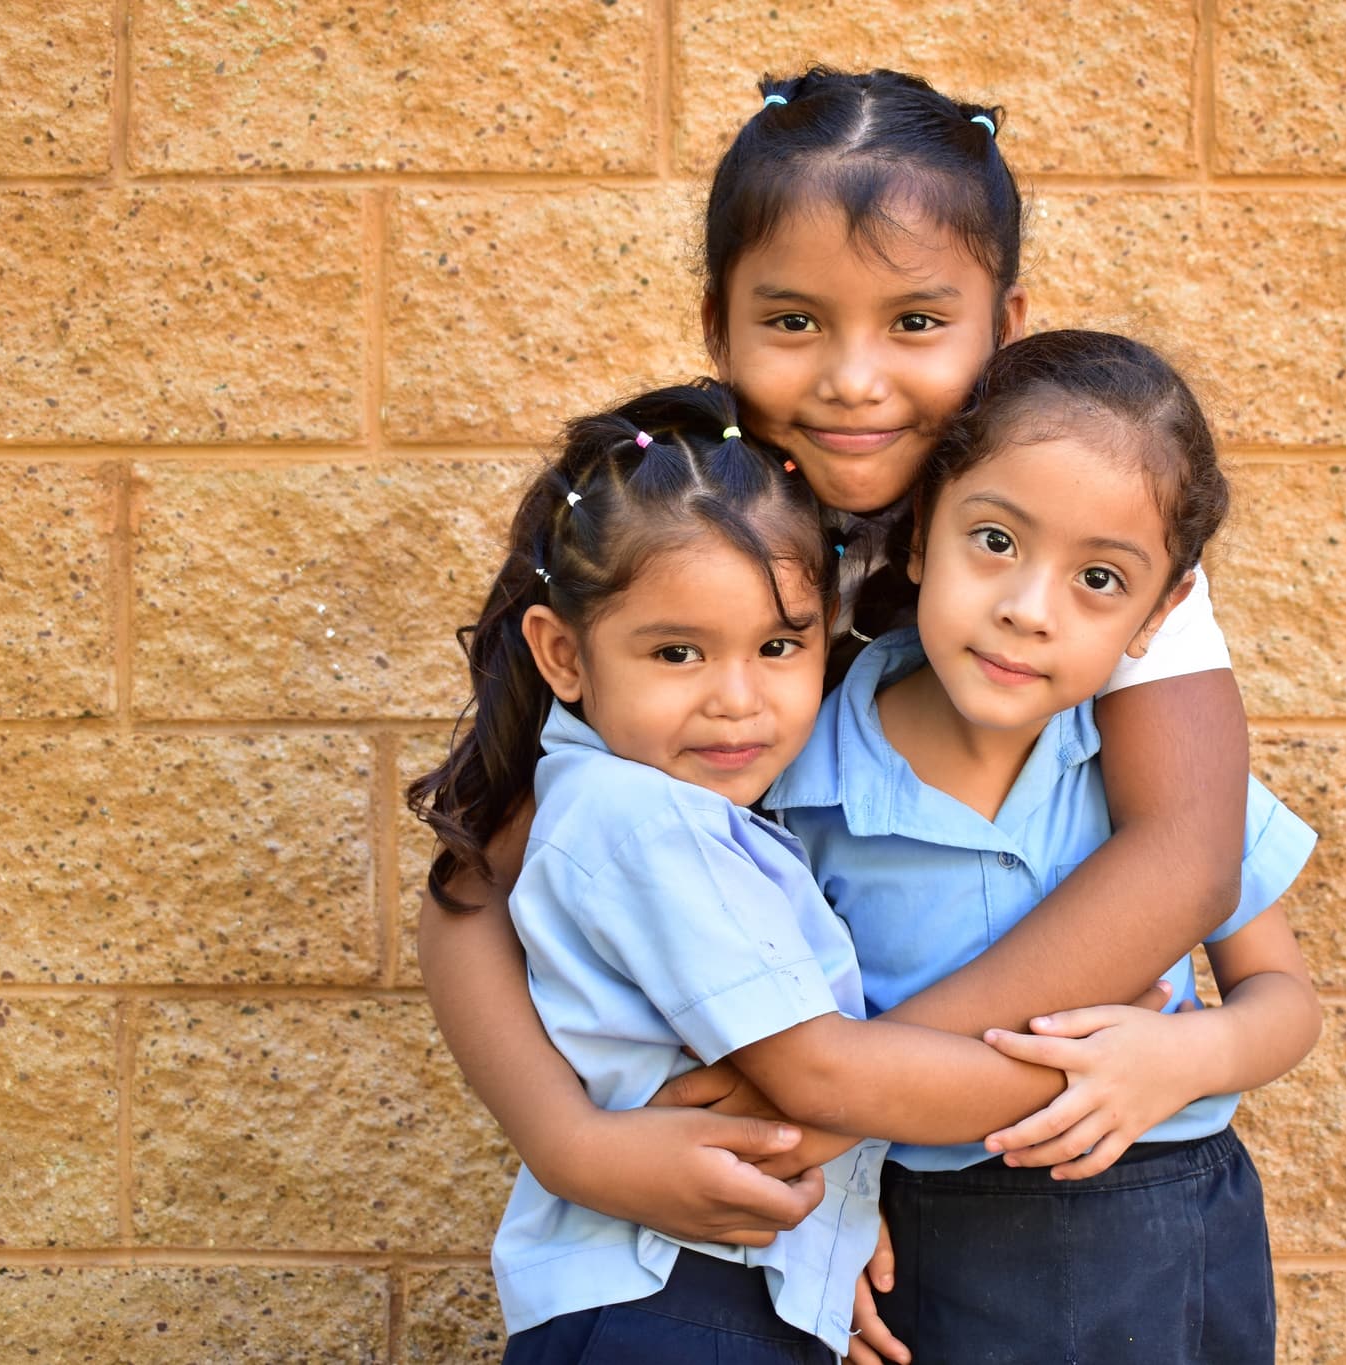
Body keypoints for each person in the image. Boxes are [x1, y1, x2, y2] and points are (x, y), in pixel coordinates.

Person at [417, 67, 1285, 1264]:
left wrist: (830, 1102)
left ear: (1005, 322)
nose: (854, 379)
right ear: (718, 322)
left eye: (916, 323)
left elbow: (1184, 863)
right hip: (793, 1209)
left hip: (959, 1163)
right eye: (793, 322)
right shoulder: (665, 521)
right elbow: (472, 888)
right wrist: (572, 1146)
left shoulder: (1079, 536)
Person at [409, 380, 1096, 1362]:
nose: (737, 701)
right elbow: (819, 1073)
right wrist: (1079, 1073)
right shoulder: (649, 823)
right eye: (678, 652)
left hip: (693, 1295)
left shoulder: (651, 805)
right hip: (670, 1303)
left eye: (779, 646)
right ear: (563, 655)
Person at [770, 330, 1320, 1363]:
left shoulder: (1155, 778)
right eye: (995, 543)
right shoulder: (803, 786)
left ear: (1160, 614)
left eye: (1099, 581)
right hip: (922, 1238)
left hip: (1162, 1221)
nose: (1028, 610)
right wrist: (824, 1209)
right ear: (923, 532)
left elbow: (1282, 999)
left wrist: (1188, 1053)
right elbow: (790, 1042)